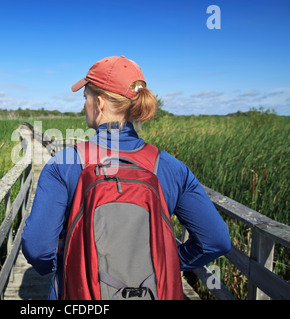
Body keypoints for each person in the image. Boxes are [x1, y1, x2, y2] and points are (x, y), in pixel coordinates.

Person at [21, 55, 231, 300]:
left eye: (85, 97)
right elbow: (216, 241)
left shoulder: (63, 165)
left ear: (99, 102)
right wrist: (171, 262)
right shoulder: (171, 168)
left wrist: (63, 266)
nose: (83, 106)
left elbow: (37, 248)